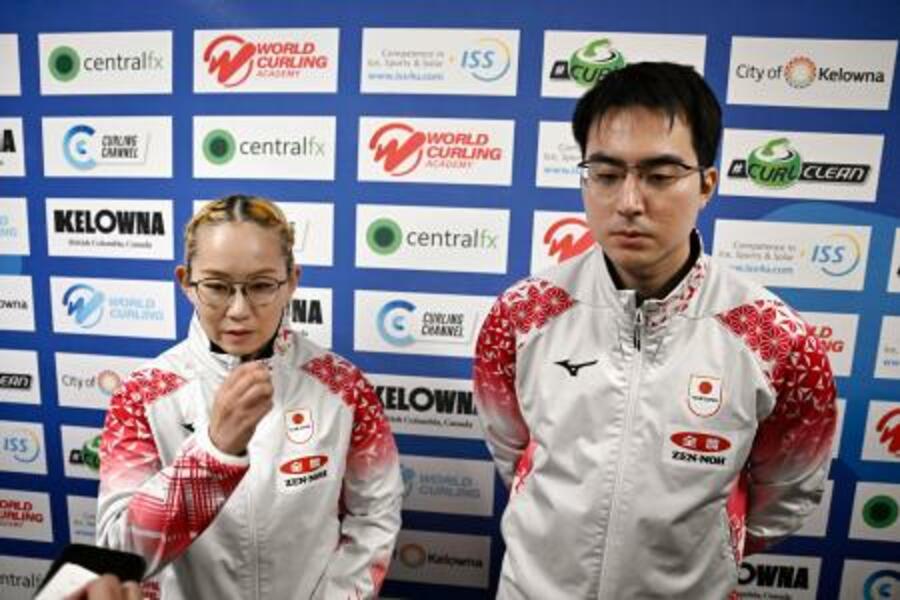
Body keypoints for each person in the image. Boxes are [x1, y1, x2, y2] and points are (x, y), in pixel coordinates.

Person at [473, 62, 836, 599]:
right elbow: (512, 453)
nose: (629, 202)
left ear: (706, 184)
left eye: (660, 176)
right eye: (606, 174)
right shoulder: (521, 315)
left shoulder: (778, 340)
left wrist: (709, 548)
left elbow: (785, 494)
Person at [97, 195, 403, 599]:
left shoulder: (344, 388)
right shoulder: (142, 394)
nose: (239, 310)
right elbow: (119, 555)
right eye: (217, 286)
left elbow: (375, 515)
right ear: (186, 282)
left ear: (291, 281)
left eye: (260, 286)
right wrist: (213, 453)